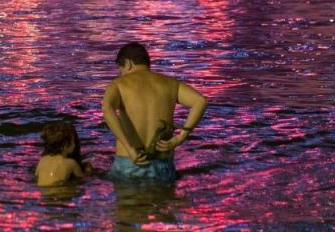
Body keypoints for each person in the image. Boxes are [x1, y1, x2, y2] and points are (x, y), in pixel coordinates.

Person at [102, 42, 207, 183]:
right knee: (162, 203)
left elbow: (107, 108)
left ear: (128, 64)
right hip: (163, 165)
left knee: (128, 204)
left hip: (130, 161)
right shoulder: (170, 83)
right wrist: (180, 138)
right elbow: (200, 101)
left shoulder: (119, 84)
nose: (121, 73)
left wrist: (129, 148)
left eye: (120, 69)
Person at [35, 121, 91, 186]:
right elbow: (82, 178)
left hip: (43, 192)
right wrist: (88, 170)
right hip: (59, 191)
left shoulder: (43, 159)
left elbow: (36, 176)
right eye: (73, 142)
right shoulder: (71, 163)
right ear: (65, 146)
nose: (74, 144)